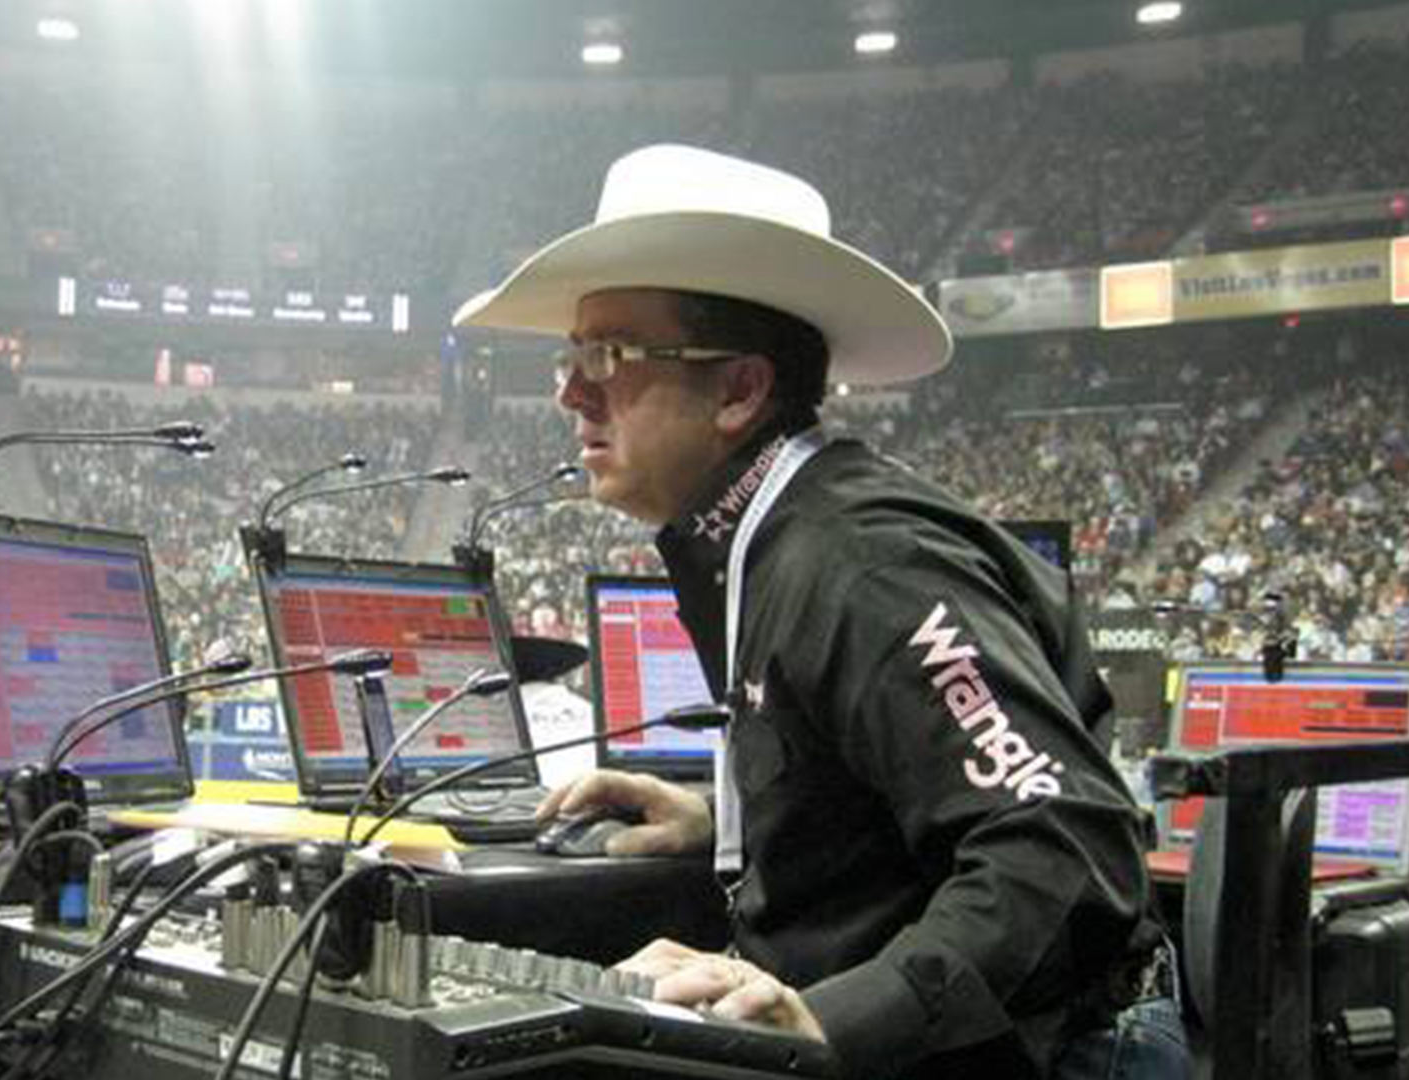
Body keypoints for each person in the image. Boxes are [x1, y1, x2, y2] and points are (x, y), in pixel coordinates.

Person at [454, 145, 1186, 1079]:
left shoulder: (863, 563)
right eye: (571, 357)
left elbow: (1061, 850)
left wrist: (832, 1020)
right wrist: (747, 819)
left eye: (609, 355)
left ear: (740, 390)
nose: (569, 390)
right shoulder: (765, 534)